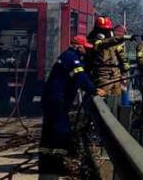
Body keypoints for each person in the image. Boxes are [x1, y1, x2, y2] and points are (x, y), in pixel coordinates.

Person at [41, 35, 101, 171]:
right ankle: (56, 163)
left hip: (53, 98)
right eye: (85, 48)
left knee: (49, 129)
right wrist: (94, 90)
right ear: (78, 46)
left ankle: (46, 164)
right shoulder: (71, 58)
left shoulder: (68, 56)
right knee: (61, 130)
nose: (86, 51)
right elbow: (80, 77)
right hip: (57, 99)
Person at [87, 16, 129, 110]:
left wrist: (125, 67)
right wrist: (124, 37)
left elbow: (121, 54)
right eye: (103, 30)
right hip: (102, 74)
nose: (105, 33)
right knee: (103, 98)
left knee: (116, 97)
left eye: (107, 30)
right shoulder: (93, 41)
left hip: (115, 74)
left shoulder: (114, 42)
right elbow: (104, 43)